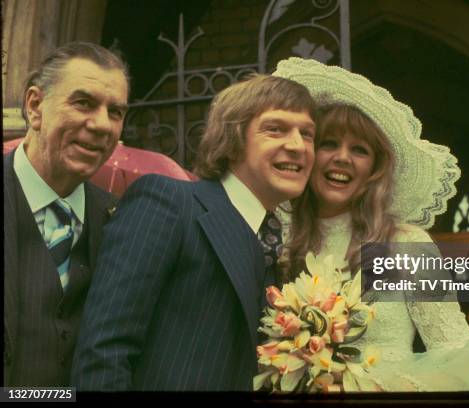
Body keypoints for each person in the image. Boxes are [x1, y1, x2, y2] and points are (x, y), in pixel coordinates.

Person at [71, 74, 317, 391]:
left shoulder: (276, 247)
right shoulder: (170, 202)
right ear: (234, 140)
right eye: (275, 129)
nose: (298, 146)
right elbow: (104, 350)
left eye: (307, 134)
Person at [272, 57, 469, 391]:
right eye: (329, 143)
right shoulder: (280, 241)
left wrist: (379, 389)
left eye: (360, 149)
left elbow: (460, 356)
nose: (342, 157)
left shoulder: (404, 243)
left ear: (374, 170)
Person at [3, 42, 128, 386]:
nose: (102, 124)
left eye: (115, 112)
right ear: (35, 106)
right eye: (84, 102)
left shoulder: (122, 221)